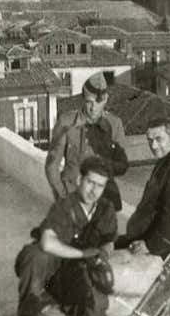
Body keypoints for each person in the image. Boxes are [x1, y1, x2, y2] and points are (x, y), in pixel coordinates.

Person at [15, 156, 118, 316]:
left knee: (87, 307)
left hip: (79, 270)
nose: (94, 191)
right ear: (79, 180)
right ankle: (28, 312)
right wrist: (83, 254)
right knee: (35, 255)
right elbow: (47, 242)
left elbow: (109, 241)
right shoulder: (64, 206)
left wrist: (103, 256)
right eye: (90, 183)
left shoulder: (106, 208)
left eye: (100, 186)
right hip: (55, 270)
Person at [118, 115, 170, 258]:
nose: (153, 146)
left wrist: (150, 245)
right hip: (145, 238)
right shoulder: (167, 162)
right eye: (150, 140)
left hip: (164, 248)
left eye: (159, 139)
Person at [46, 71, 128, 211]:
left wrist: (104, 167)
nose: (94, 107)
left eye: (99, 102)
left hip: (103, 200)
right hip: (72, 196)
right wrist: (63, 196)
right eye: (90, 102)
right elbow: (52, 166)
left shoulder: (114, 124)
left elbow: (123, 165)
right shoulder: (67, 122)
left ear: (106, 99)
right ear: (83, 99)